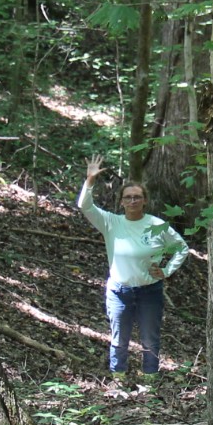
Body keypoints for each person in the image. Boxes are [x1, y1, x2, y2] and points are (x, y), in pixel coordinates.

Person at [78, 154, 189, 380]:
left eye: (137, 197)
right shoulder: (111, 223)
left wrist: (167, 271)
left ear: (144, 201)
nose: (132, 201)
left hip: (150, 291)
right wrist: (90, 181)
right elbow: (85, 206)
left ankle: (150, 379)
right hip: (119, 292)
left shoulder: (156, 225)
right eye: (128, 198)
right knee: (119, 338)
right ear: (121, 202)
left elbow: (182, 248)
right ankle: (118, 378)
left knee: (150, 339)